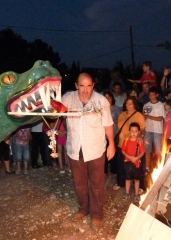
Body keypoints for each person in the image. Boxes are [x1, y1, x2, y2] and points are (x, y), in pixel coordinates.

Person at [61, 73, 115, 229]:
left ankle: (97, 214)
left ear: (93, 86)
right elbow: (56, 110)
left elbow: (108, 124)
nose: (85, 90)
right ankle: (83, 208)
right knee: (79, 184)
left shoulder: (101, 101)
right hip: (75, 148)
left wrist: (111, 143)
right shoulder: (68, 98)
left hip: (95, 149)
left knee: (96, 184)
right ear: (76, 86)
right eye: (82, 86)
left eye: (88, 86)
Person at [114, 97, 146, 193]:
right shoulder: (122, 114)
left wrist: (141, 137)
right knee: (121, 164)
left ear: (135, 104)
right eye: (127, 103)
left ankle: (140, 186)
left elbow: (143, 129)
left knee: (138, 165)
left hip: (134, 143)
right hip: (122, 143)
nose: (128, 105)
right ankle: (121, 182)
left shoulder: (139, 115)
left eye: (131, 103)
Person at [121, 122, 146, 202]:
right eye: (132, 131)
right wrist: (130, 157)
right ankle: (127, 193)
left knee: (136, 179)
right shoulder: (126, 140)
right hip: (128, 163)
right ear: (129, 131)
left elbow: (142, 152)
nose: (134, 133)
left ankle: (136, 194)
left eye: (135, 131)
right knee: (127, 179)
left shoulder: (140, 142)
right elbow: (123, 151)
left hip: (137, 163)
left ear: (138, 132)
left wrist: (136, 158)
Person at [143, 87, 165, 173]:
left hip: (157, 131)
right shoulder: (146, 105)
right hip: (148, 129)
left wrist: (148, 116)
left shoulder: (160, 105)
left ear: (157, 95)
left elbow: (160, 118)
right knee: (147, 150)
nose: (151, 96)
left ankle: (159, 167)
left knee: (158, 150)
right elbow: (143, 118)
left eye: (153, 94)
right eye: (150, 95)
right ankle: (147, 167)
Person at [104, 90, 122, 174]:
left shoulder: (117, 108)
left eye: (109, 97)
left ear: (112, 98)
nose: (107, 99)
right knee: (103, 152)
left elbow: (121, 120)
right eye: (105, 97)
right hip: (103, 134)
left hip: (113, 133)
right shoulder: (100, 108)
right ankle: (105, 170)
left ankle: (113, 170)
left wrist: (112, 120)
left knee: (113, 151)